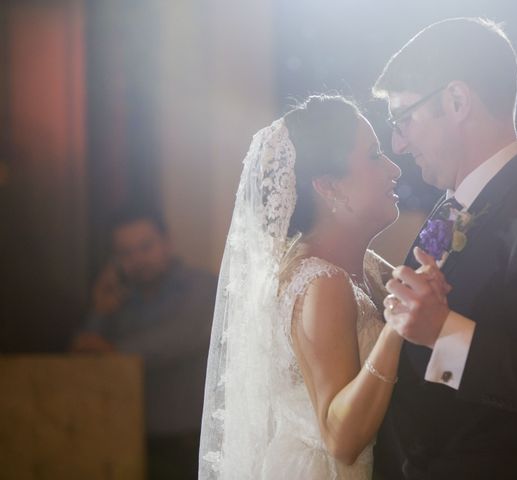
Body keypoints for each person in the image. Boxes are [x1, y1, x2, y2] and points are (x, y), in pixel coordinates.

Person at [371, 17, 517, 479]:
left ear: (457, 100)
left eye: (405, 119)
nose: (400, 143)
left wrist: (445, 333)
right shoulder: (453, 205)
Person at [198, 95, 450, 479]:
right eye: (374, 155)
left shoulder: (362, 265)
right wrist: (395, 329)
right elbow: (340, 439)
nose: (394, 169)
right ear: (330, 186)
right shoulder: (322, 283)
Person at [72, 208, 217, 479]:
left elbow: (180, 337)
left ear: (167, 242)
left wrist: (112, 351)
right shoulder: (119, 301)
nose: (137, 259)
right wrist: (100, 310)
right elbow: (83, 360)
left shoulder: (202, 287)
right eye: (125, 253)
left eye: (145, 246)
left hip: (190, 445)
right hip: (123, 444)